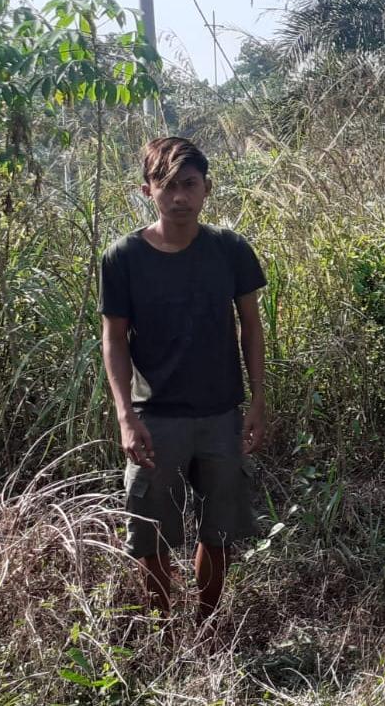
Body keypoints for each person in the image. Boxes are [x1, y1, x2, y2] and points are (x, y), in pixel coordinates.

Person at [99, 137, 266, 631]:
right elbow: (114, 339)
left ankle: (207, 628)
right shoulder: (124, 256)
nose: (179, 197)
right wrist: (126, 415)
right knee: (149, 533)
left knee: (219, 530)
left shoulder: (229, 249)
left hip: (221, 414)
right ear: (146, 189)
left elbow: (251, 326)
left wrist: (258, 400)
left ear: (207, 188)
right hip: (156, 417)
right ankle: (164, 632)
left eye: (189, 185)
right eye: (167, 185)